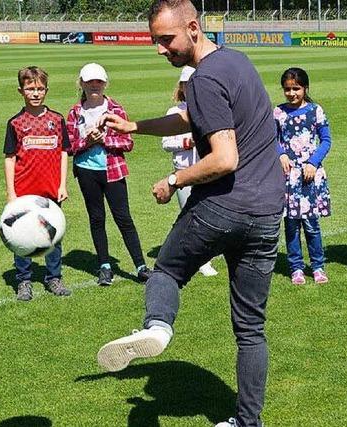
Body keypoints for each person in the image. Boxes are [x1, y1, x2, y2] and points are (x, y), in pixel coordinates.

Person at [95, 1, 284, 426]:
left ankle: (158, 326)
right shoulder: (237, 62)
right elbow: (191, 118)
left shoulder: (202, 79)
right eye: (155, 41)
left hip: (222, 206)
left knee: (165, 272)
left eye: (166, 40)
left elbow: (224, 159)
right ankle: (247, 423)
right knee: (251, 329)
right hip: (268, 209)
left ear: (193, 28)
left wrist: (174, 182)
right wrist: (135, 127)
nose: (160, 50)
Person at [66, 63, 151, 286]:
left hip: (113, 171)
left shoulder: (116, 109)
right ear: (81, 83)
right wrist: (87, 141)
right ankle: (104, 265)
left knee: (123, 218)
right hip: (86, 171)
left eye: (99, 82)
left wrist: (104, 139)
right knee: (97, 218)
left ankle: (141, 266)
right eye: (90, 81)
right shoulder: (75, 112)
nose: (94, 86)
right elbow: (70, 146)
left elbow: (128, 142)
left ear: (105, 84)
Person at [3, 66, 71, 301]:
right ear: (20, 91)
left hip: (50, 193)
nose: (35, 93)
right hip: (24, 193)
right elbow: (10, 157)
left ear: (46, 90)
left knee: (53, 236)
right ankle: (24, 279)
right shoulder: (15, 123)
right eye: (30, 89)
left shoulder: (57, 119)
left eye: (40, 89)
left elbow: (63, 152)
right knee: (21, 237)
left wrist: (62, 185)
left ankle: (54, 277)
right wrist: (11, 192)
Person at [274, 67, 331, 285]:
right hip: (288, 176)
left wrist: (313, 162)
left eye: (296, 88)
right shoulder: (278, 113)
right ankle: (296, 266)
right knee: (291, 224)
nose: (292, 93)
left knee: (311, 223)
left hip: (310, 176)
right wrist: (280, 155)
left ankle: (317, 266)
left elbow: (326, 140)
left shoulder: (316, 110)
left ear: (305, 88)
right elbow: (272, 139)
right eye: (287, 89)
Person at [160, 65, 217, 277]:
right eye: (186, 85)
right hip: (183, 171)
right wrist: (187, 141)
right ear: (181, 87)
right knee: (190, 215)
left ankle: (205, 257)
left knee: (208, 214)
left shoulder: (209, 108)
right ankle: (191, 256)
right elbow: (166, 143)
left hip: (207, 170)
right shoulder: (174, 112)